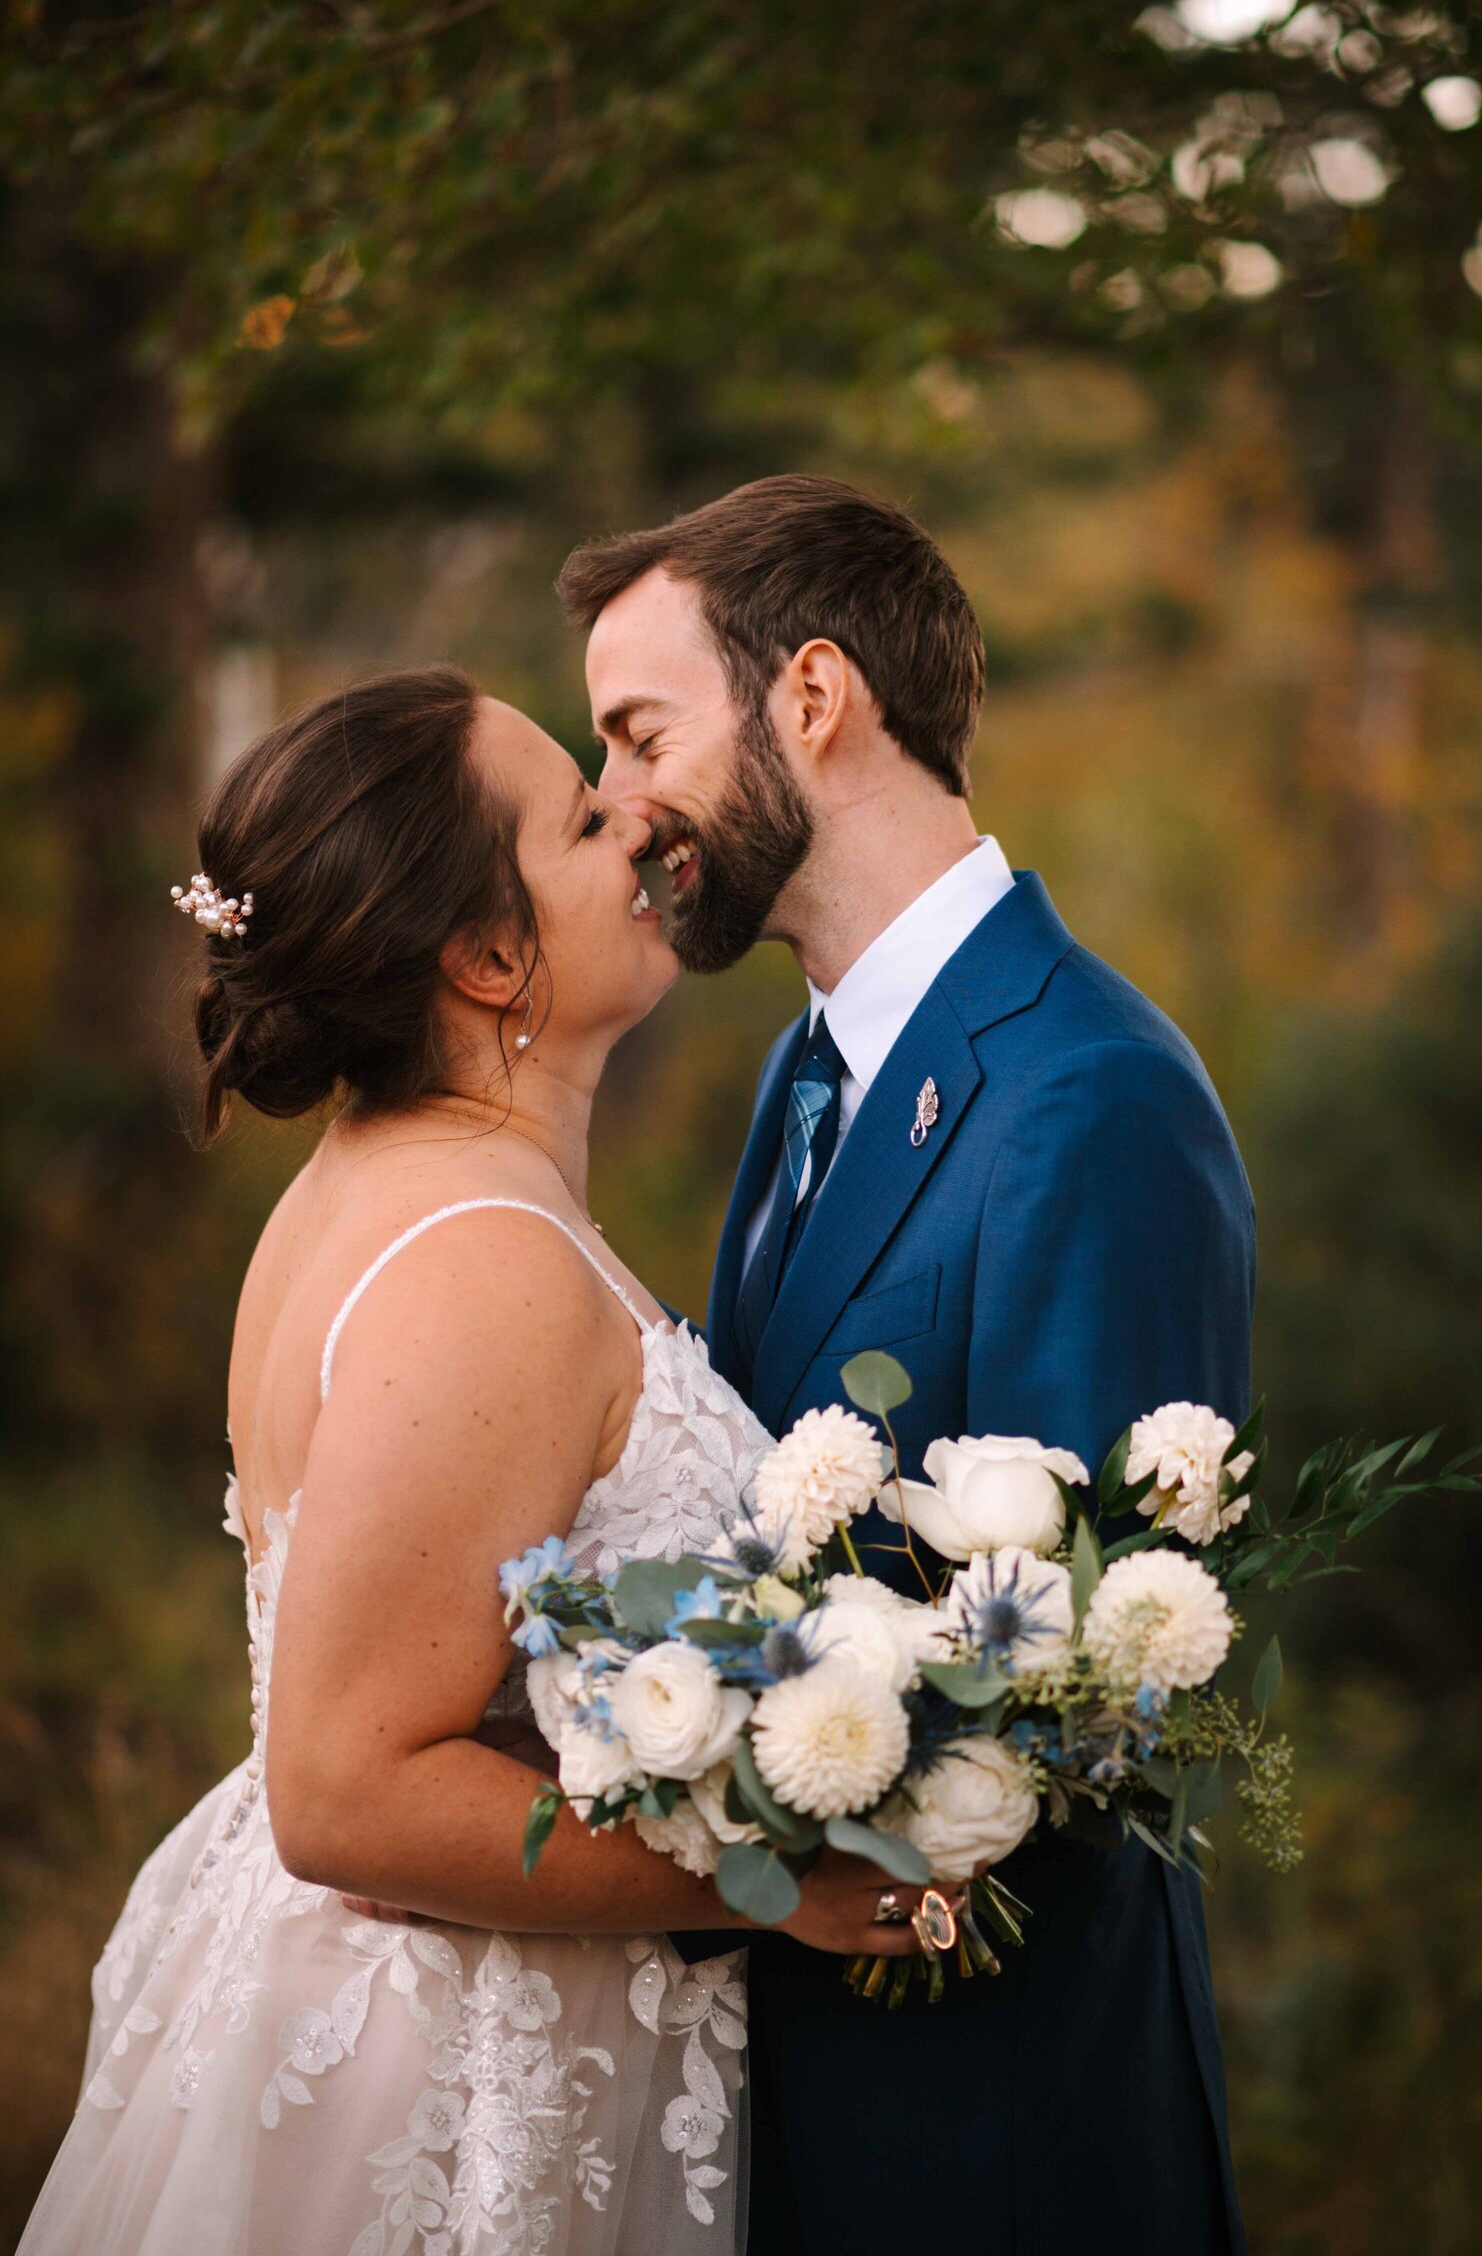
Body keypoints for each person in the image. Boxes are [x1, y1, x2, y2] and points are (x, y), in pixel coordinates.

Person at [19, 665, 920, 2256]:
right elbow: (348, 1790)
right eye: (582, 817)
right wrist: (778, 1884)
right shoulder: (480, 1260)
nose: (635, 811)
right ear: (494, 953)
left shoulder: (389, 1187)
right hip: (452, 2089)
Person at [571, 474, 1256, 2256]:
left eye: (639, 734)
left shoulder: (1087, 1090)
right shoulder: (805, 1077)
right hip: (791, 2096)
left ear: (814, 695)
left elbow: (1098, 1694)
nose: (613, 806)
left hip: (1002, 2131)